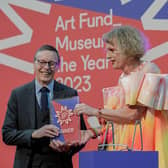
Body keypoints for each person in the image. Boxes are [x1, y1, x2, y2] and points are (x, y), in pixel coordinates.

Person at [74, 25, 168, 168]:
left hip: (146, 147)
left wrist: (94, 111)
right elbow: (118, 123)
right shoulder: (123, 77)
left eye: (112, 50)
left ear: (128, 48)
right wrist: (93, 131)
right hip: (126, 148)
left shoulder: (149, 69)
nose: (107, 56)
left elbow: (132, 115)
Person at [2, 44, 87, 168]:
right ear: (34, 64)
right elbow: (7, 134)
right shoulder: (18, 95)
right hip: (28, 164)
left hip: (59, 163)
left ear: (58, 66)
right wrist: (33, 134)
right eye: (42, 62)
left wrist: (67, 148)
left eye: (52, 63)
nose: (46, 67)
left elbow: (80, 134)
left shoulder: (69, 94)